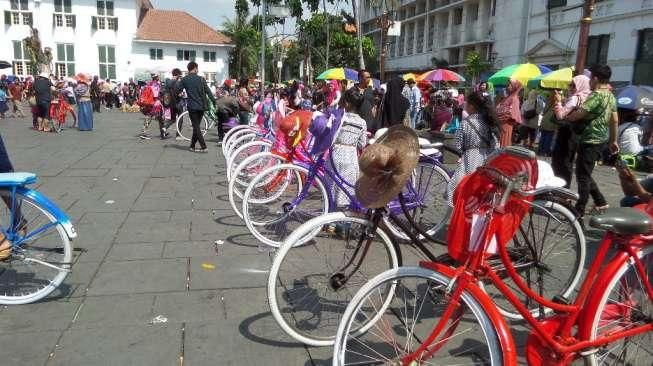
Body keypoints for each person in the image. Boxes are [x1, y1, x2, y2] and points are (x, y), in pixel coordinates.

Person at [564, 65, 619, 215]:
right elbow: (614, 120)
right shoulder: (610, 96)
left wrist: (565, 116)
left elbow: (580, 113)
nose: (589, 82)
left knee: (582, 176)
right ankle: (600, 202)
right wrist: (613, 141)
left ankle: (579, 209)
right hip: (601, 140)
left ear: (595, 78)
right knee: (585, 172)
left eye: (590, 79)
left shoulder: (596, 95)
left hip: (589, 140)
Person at [446, 91, 499, 206]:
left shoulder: (466, 123)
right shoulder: (489, 123)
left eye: (466, 104)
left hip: (469, 161)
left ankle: (460, 214)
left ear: (471, 106)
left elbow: (457, 145)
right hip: (487, 163)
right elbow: (496, 145)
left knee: (456, 188)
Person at [329, 88, 368, 207]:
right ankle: (344, 220)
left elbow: (331, 136)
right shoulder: (362, 122)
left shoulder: (339, 117)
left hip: (336, 155)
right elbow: (362, 144)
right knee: (346, 191)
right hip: (351, 158)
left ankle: (330, 218)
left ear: (346, 103)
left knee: (332, 188)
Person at [551, 74, 592, 187]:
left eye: (573, 85)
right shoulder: (585, 98)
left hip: (566, 132)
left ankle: (561, 187)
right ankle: (564, 187)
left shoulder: (575, 98)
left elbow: (560, 116)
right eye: (570, 85)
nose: (570, 88)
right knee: (567, 160)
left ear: (580, 86)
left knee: (561, 161)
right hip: (574, 133)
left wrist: (558, 102)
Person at [176, 61, 216, 152]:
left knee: (196, 126)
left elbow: (178, 89)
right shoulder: (201, 79)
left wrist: (181, 94)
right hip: (201, 106)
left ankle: (203, 146)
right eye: (197, 68)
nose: (198, 70)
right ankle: (192, 146)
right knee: (196, 126)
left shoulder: (185, 79)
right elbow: (208, 91)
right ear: (194, 68)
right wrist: (214, 101)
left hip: (192, 106)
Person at [495, 79, 522, 147]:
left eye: (510, 85)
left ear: (515, 87)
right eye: (508, 85)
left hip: (506, 124)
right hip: (500, 123)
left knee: (504, 142)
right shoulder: (508, 97)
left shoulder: (514, 98)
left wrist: (500, 113)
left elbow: (512, 113)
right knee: (499, 142)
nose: (508, 86)